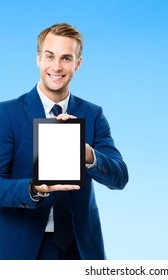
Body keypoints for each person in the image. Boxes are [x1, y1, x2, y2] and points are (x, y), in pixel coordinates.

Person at [0, 23, 129, 260]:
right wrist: (33, 188)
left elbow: (119, 177)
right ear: (39, 59)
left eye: (66, 58)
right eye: (50, 56)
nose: (57, 67)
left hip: (79, 250)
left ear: (77, 63)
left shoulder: (92, 114)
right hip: (22, 250)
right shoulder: (7, 114)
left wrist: (89, 155)